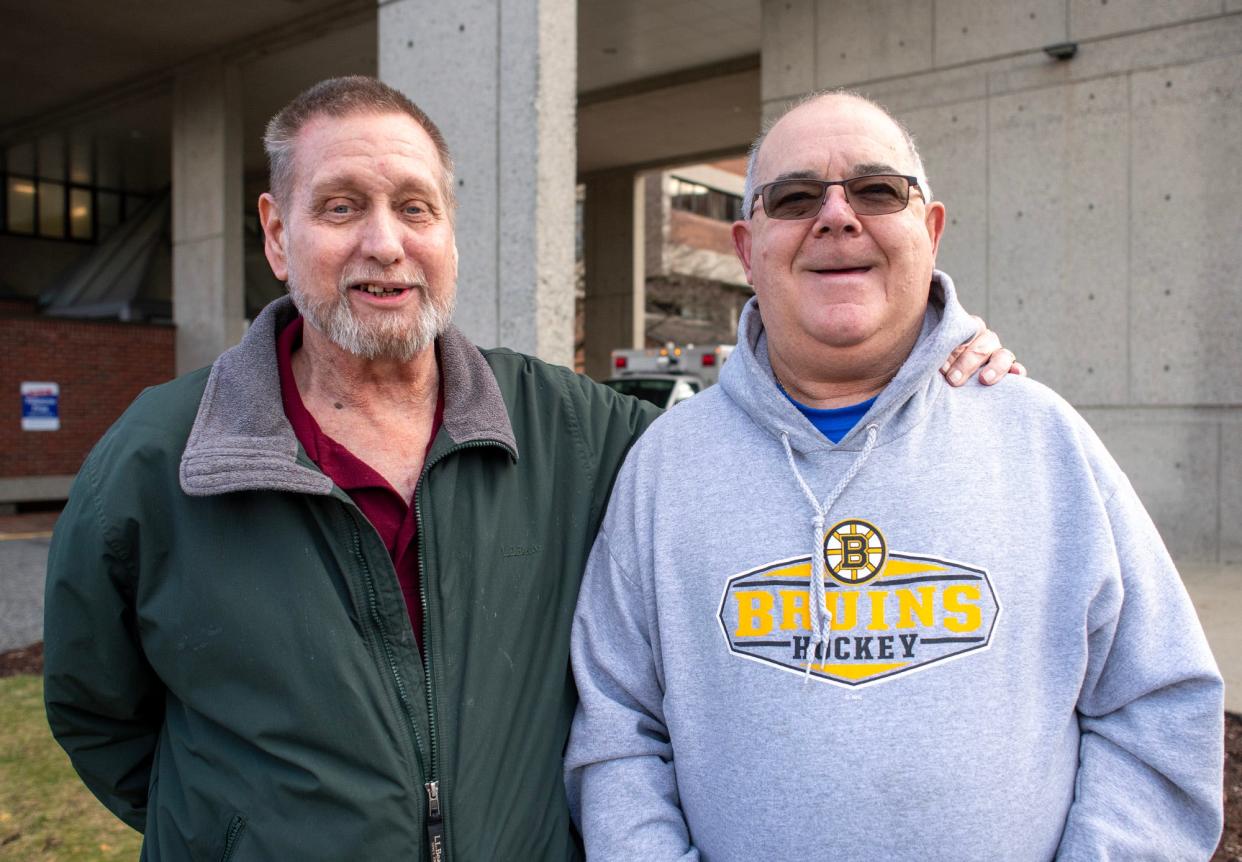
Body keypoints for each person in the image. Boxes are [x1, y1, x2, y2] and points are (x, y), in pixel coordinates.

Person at [43, 77, 1018, 860]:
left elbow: (770, 436)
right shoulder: (162, 456)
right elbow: (99, 715)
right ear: (274, 230)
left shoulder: (575, 433)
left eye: (413, 206)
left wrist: (928, 351)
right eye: (341, 206)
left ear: (449, 232)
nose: (384, 242)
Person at [565, 91, 1224, 861]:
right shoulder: (665, 470)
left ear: (931, 230)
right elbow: (617, 732)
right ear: (747, 247)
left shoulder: (1043, 442)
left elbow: (1159, 705)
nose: (837, 217)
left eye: (877, 191)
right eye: (795, 197)